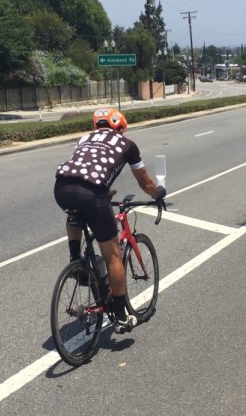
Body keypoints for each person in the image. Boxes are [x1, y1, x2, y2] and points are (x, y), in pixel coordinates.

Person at [54, 107, 166, 334]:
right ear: (121, 127)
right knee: (113, 254)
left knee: (74, 212)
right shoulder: (128, 145)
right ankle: (121, 316)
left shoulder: (84, 138)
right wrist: (158, 194)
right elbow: (145, 183)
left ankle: (75, 259)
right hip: (93, 194)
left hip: (62, 188)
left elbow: (85, 170)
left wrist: (105, 193)